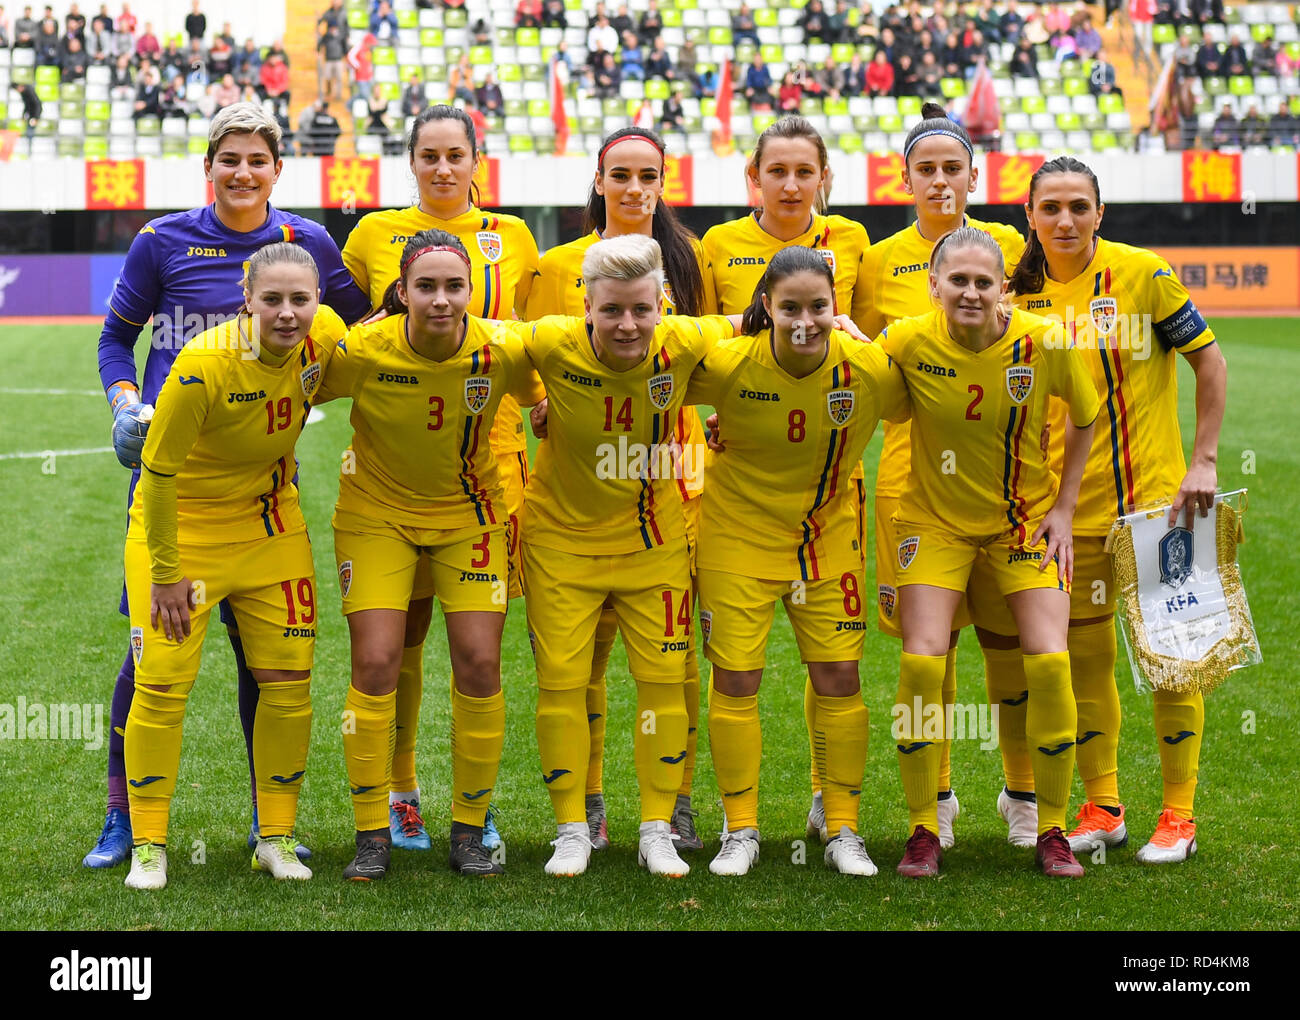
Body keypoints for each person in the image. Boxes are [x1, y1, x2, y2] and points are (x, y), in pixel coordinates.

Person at [87, 102, 370, 871]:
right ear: (208, 167)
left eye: (257, 160)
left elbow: (365, 328)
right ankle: (123, 817)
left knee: (268, 658)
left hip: (264, 479)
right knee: (150, 653)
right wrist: (125, 404)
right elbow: (117, 337)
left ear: (279, 169)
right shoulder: (161, 241)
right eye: (229, 160)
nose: (243, 173)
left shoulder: (306, 242)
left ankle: (266, 822)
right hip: (171, 469)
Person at [977, 156, 1225, 867]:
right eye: (1049, 207)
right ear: (1028, 214)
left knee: (1178, 661)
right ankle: (1104, 805)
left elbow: (1210, 361)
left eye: (1078, 206)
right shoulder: (1014, 293)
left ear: (1099, 213)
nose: (1064, 220)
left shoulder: (1144, 273)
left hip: (1162, 508)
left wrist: (1204, 462)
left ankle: (1179, 814)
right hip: (1067, 516)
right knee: (1086, 662)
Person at [313, 230, 543, 879]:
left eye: (454, 286)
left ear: (473, 291)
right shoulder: (362, 350)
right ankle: (370, 834)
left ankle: (470, 829)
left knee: (478, 660)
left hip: (468, 517)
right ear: (403, 293)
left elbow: (561, 377)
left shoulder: (504, 348)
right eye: (426, 287)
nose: (441, 300)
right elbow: (289, 385)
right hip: (376, 516)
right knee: (379, 659)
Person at [511, 234, 739, 877]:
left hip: (654, 543)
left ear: (663, 302)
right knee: (561, 685)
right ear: (586, 304)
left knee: (663, 685)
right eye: (612, 309)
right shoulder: (549, 340)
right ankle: (571, 830)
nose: (628, 324)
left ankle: (657, 828)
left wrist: (834, 323)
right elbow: (471, 335)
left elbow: (761, 323)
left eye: (641, 308)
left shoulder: (688, 339)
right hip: (560, 545)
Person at [121, 243, 344, 890]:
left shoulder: (324, 340)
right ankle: (149, 846)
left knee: (288, 681)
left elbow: (382, 366)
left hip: (271, 528)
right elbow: (156, 474)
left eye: (300, 299)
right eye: (271, 299)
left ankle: (275, 839)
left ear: (317, 302)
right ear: (246, 298)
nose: (286, 313)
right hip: (182, 533)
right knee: (161, 684)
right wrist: (165, 573)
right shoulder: (202, 365)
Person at [880, 226, 1099, 879]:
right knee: (922, 664)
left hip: (1022, 524)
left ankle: (1052, 828)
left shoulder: (1043, 341)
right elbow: (849, 378)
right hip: (934, 522)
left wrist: (1063, 507)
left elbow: (1084, 416)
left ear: (1005, 287)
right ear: (934, 286)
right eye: (958, 281)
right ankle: (923, 829)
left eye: (984, 282)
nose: (971, 292)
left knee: (1051, 663)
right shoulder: (908, 340)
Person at [689, 246, 908, 878]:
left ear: (837, 308)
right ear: (766, 308)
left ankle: (842, 828)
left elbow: (925, 403)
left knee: (839, 678)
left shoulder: (868, 367)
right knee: (737, 680)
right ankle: (741, 831)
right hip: (736, 538)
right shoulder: (728, 364)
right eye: (790, 307)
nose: (805, 320)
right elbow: (648, 375)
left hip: (827, 541)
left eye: (819, 306)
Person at [525, 126, 713, 853]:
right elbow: (524, 350)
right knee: (582, 660)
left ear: (664, 181)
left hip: (670, 473)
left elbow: (714, 345)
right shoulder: (555, 266)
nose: (635, 187)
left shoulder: (688, 257)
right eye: (621, 174)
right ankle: (589, 807)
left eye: (649, 175)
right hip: (577, 479)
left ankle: (676, 804)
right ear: (598, 179)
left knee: (673, 657)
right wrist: (545, 403)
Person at [853, 102, 1026, 850]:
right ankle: (941, 796)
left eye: (952, 167)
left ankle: (1023, 793)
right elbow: (860, 357)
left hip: (1004, 476)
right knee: (930, 647)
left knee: (1009, 639)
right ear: (906, 177)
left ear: (973, 174)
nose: (940, 180)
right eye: (926, 168)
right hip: (909, 479)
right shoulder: (878, 259)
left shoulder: (1011, 245)